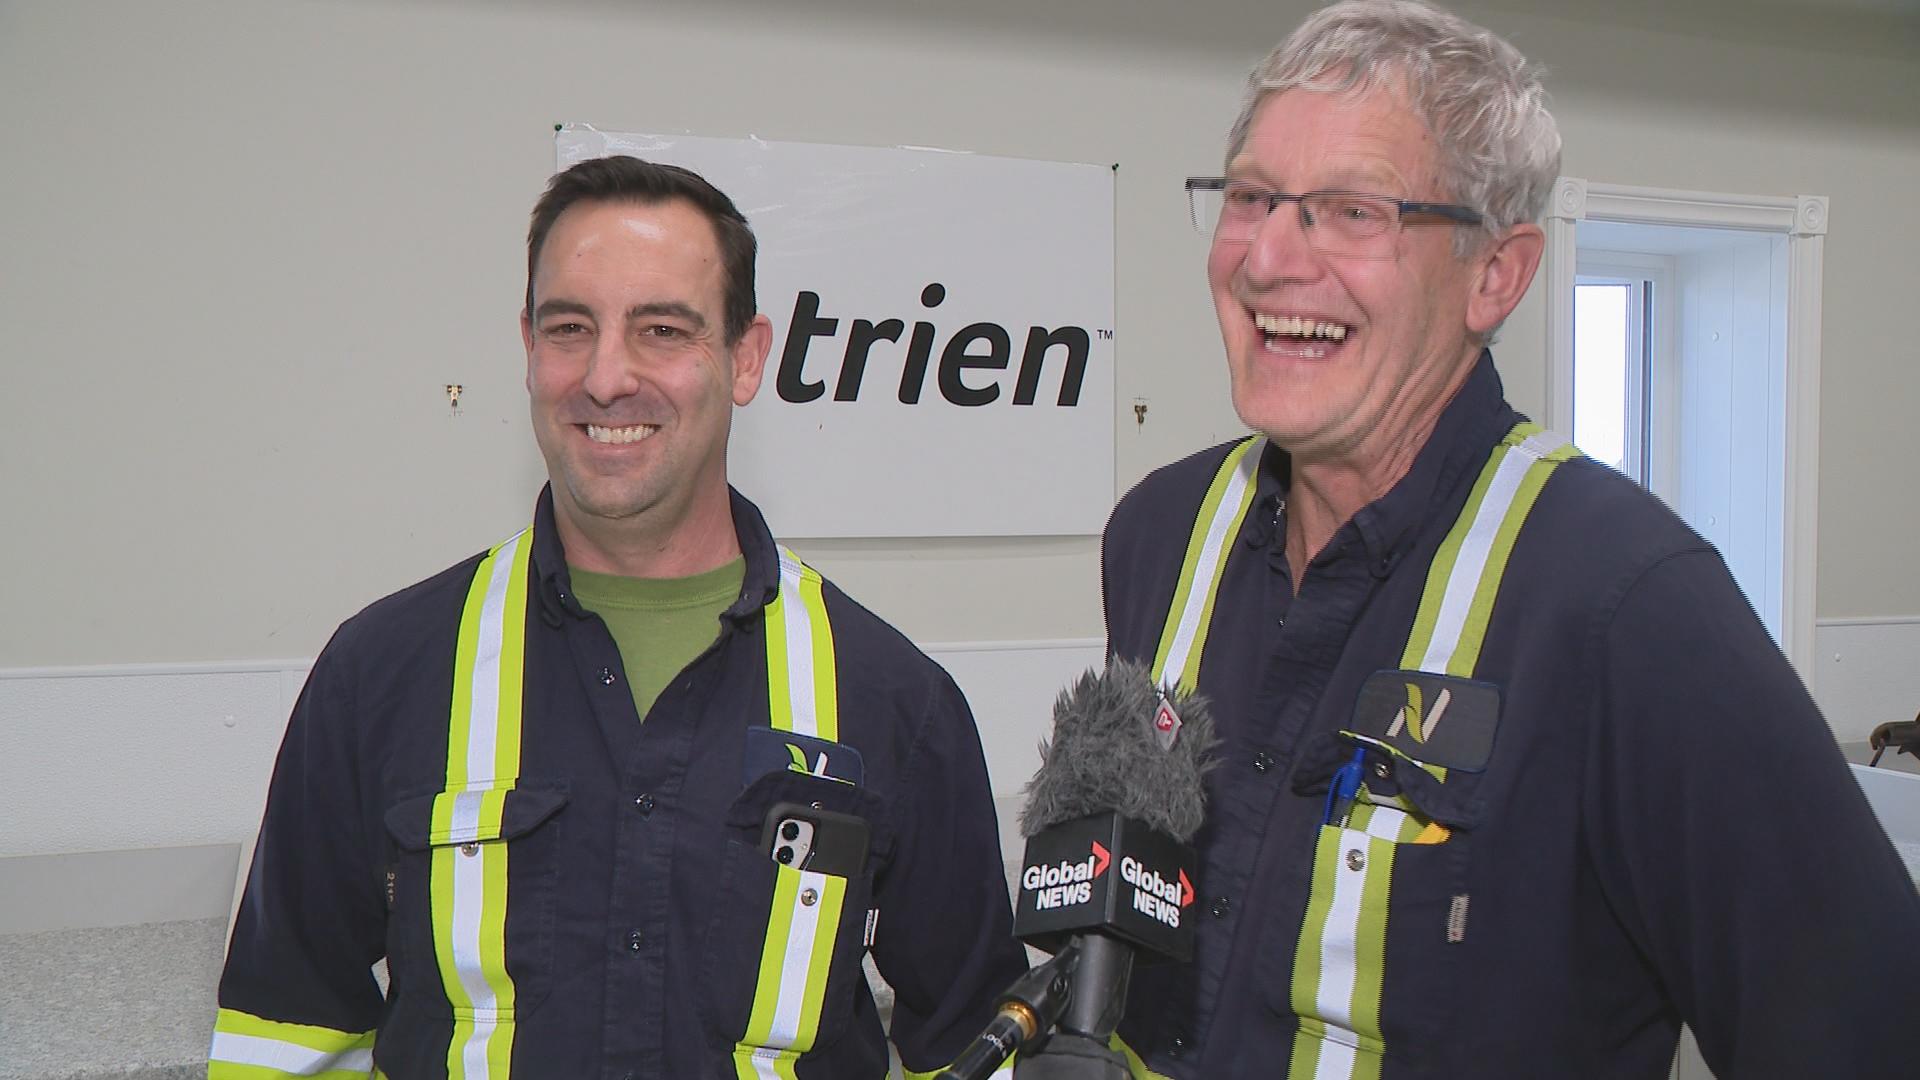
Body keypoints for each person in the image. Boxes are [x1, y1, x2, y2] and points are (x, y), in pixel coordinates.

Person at [1099, 3, 1920, 1078]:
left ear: (1497, 274)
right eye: (1252, 197)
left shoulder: (1633, 608)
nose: (1269, 257)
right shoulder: (1160, 534)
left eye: (1351, 211)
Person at [210, 155, 1028, 1079]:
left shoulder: (896, 703)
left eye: (662, 329)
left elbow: (969, 1048)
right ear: (527, 346)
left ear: (747, 355)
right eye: (570, 328)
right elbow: (283, 1038)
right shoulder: (380, 676)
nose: (605, 378)